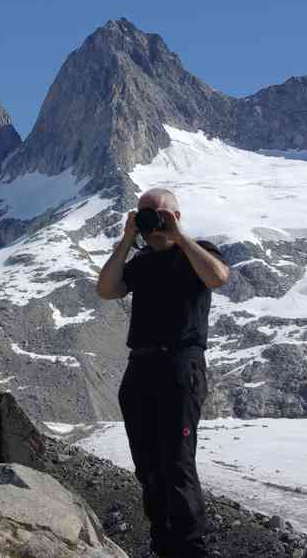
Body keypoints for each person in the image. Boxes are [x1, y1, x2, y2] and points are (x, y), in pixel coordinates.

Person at [95, 187, 230, 557]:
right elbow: (106, 289)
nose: (152, 221)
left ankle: (191, 549)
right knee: (147, 465)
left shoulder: (197, 252)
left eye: (158, 213)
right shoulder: (139, 262)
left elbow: (218, 277)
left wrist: (178, 236)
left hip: (179, 365)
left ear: (176, 216)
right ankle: (163, 544)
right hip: (140, 368)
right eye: (145, 214)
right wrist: (126, 239)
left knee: (177, 463)